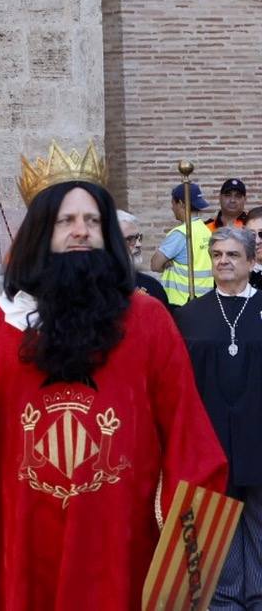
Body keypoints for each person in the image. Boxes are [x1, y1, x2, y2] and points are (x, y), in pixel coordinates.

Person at [0, 143, 227, 610]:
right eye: (66, 221)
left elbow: (188, 432)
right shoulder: (2, 323)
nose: (81, 231)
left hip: (122, 542)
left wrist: (179, 554)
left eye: (91, 221)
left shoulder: (146, 319)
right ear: (42, 233)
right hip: (29, 543)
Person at [178, 227, 262, 611]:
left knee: (259, 524)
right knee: (220, 524)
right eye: (217, 255)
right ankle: (226, 600)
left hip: (258, 436)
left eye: (232, 255)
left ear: (251, 260)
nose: (223, 261)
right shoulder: (190, 316)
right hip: (211, 438)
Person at [151, 181, 214, 306]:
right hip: (205, 302)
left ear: (180, 203)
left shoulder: (181, 233)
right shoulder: (206, 231)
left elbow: (155, 265)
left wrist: (168, 262)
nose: (172, 208)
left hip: (181, 303)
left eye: (172, 203)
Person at [116, 208, 170, 307]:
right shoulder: (96, 287)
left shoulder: (152, 286)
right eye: (130, 239)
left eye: (138, 237)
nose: (138, 244)